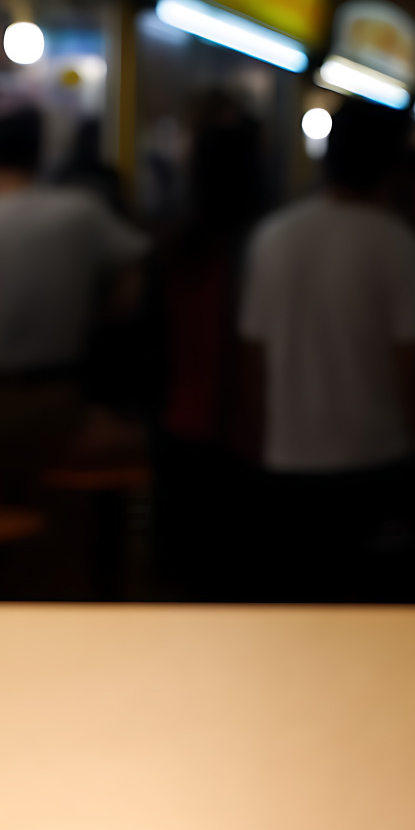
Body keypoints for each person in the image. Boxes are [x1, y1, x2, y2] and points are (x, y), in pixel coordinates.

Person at [238, 98, 415, 603]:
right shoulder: (396, 244)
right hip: (377, 461)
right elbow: (412, 366)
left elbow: (255, 359)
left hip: (288, 464)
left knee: (298, 613)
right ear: (393, 166)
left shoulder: (274, 237)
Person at [0, 105, 148, 508]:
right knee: (58, 525)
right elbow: (137, 272)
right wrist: (97, 312)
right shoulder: (80, 214)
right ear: (40, 159)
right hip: (62, 396)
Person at [149, 96, 262, 599]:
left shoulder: (174, 246)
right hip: (244, 430)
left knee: (184, 580)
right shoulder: (261, 247)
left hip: (179, 424)